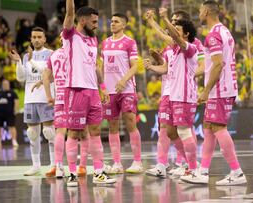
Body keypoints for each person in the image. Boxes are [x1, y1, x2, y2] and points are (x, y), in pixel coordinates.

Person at [188, 0, 247, 185]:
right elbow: (213, 64)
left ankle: (237, 172)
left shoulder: (212, 35)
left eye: (199, 10)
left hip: (220, 89)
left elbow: (218, 63)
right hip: (224, 86)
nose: (199, 13)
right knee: (208, 128)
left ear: (206, 11)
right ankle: (203, 171)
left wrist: (205, 91)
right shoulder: (225, 31)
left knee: (218, 128)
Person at [144, 9, 204, 178]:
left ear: (185, 33)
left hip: (184, 95)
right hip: (172, 95)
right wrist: (152, 22)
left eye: (177, 27)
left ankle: (192, 168)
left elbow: (175, 38)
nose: (172, 32)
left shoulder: (190, 47)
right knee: (170, 131)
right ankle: (185, 164)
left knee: (184, 131)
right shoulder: (174, 49)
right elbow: (167, 41)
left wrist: (162, 18)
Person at [62, 0, 116, 185]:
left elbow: (95, 67)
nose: (97, 25)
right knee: (74, 133)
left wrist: (103, 88)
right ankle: (71, 173)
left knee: (95, 132)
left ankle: (99, 172)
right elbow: (70, 13)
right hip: (76, 89)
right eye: (93, 22)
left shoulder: (94, 39)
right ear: (83, 20)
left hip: (93, 92)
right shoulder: (70, 35)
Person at [38, 37, 89, 185]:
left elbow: (46, 76)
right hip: (76, 94)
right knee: (83, 131)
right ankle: (82, 166)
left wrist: (49, 96)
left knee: (60, 131)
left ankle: (59, 166)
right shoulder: (77, 52)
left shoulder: (53, 55)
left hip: (59, 96)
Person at [9, 27, 56, 177]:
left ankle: (54, 164)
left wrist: (30, 61)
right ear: (30, 39)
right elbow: (21, 78)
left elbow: (47, 74)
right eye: (34, 37)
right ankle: (35, 165)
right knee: (32, 133)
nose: (36, 39)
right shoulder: (25, 56)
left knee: (49, 132)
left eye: (39, 37)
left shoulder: (51, 54)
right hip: (30, 99)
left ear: (44, 39)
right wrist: (18, 62)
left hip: (46, 98)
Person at [101, 13, 143, 174]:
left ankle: (137, 162)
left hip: (126, 89)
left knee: (131, 122)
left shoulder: (129, 42)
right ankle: (117, 164)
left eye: (116, 21)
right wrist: (103, 87)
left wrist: (123, 80)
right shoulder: (104, 43)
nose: (112, 23)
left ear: (124, 24)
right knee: (112, 126)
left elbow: (135, 66)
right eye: (111, 21)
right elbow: (101, 67)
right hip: (109, 91)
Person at [0, 79, 19, 148]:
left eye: (6, 84)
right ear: (2, 85)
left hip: (9, 113)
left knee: (12, 126)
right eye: (4, 84)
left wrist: (15, 110)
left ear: (9, 84)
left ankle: (14, 141)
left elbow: (16, 101)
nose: (5, 85)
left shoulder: (12, 93)